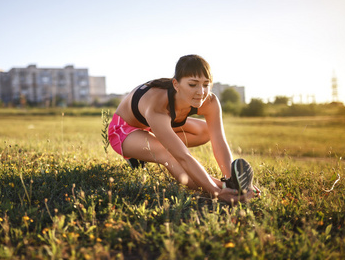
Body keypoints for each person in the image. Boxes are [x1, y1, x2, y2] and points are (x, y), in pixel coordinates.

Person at [108, 54, 260, 204]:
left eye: (206, 84)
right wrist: (217, 192)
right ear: (176, 84)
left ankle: (229, 184)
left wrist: (231, 178)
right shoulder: (157, 105)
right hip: (124, 131)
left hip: (152, 127)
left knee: (207, 131)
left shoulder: (210, 101)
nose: (201, 92)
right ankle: (136, 154)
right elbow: (183, 156)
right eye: (193, 85)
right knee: (168, 153)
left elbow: (219, 140)